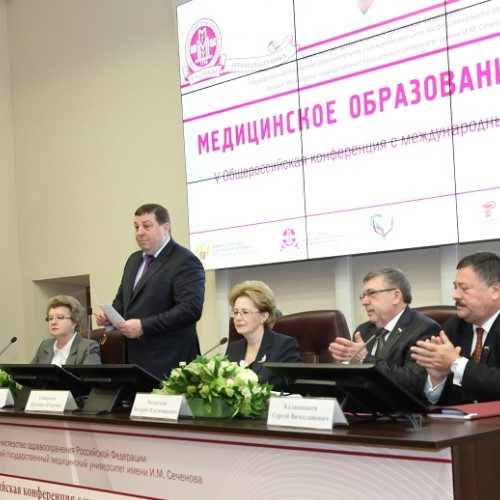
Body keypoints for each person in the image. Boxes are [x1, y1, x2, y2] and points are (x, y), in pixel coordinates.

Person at [96, 203, 205, 380]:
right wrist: (110, 316)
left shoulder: (184, 260)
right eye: (136, 227)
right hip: (134, 361)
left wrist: (143, 326)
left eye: (146, 226)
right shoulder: (133, 260)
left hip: (170, 363)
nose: (139, 232)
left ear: (165, 228)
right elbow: (123, 301)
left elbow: (190, 309)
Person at [328, 267, 440, 396]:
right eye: (363, 296)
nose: (364, 302)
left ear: (396, 296)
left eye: (371, 293)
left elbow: (414, 383)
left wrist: (365, 358)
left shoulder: (424, 329)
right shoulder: (363, 331)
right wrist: (344, 366)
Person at [411, 251, 500, 405]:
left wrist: (455, 363)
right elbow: (434, 400)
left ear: (495, 291)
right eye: (455, 287)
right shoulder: (453, 327)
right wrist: (437, 379)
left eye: (464, 288)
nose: (455, 295)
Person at [225, 280, 301, 390]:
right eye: (236, 312)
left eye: (245, 312)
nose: (238, 318)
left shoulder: (284, 346)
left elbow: (296, 389)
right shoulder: (233, 348)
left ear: (264, 316)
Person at [31, 295, 101, 365]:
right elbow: (29, 371)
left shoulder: (88, 347)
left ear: (74, 322)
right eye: (50, 318)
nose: (53, 322)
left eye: (60, 317)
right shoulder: (45, 346)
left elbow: (91, 372)